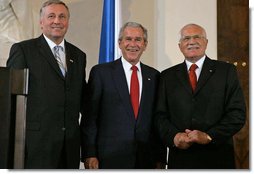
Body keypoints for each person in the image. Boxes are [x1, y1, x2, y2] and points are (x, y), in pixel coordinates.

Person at [6, 0, 87, 169]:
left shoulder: (78, 56)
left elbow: (82, 100)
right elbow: (10, 101)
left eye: (62, 16)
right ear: (41, 22)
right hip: (35, 147)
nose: (57, 21)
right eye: (51, 16)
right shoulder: (23, 50)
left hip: (69, 148)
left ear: (68, 22)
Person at [155, 23, 246, 169]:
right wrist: (174, 137)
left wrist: (209, 136)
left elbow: (237, 114)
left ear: (206, 42)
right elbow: (160, 116)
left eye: (197, 37)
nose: (192, 41)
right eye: (186, 38)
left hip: (218, 158)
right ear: (180, 45)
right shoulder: (166, 76)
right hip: (180, 159)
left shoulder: (226, 71)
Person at [81, 22, 166, 169]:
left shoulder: (154, 76)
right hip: (109, 158)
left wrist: (161, 158)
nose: (133, 44)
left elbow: (158, 120)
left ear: (145, 45)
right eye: (128, 39)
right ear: (120, 43)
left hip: (146, 159)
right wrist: (89, 153)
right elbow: (90, 117)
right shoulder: (101, 73)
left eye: (138, 39)